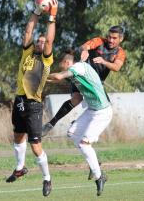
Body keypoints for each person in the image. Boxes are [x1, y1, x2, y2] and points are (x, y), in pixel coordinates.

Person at [5, 0, 58, 197]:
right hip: (19, 100)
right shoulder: (28, 53)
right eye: (39, 41)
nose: (40, 42)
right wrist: (36, 12)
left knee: (35, 146)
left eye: (43, 42)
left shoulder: (46, 59)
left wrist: (51, 17)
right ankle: (20, 168)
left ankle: (47, 179)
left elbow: (50, 38)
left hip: (34, 104)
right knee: (18, 136)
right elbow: (28, 31)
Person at [47, 49, 113, 196]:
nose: (61, 67)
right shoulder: (75, 72)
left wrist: (39, 76)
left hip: (103, 112)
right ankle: (94, 162)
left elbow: (57, 77)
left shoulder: (78, 67)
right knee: (72, 133)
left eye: (61, 64)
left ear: (66, 62)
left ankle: (99, 176)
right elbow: (58, 80)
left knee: (84, 144)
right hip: (92, 110)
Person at [42, 25, 126, 136]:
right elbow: (85, 46)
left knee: (104, 109)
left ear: (121, 39)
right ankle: (51, 124)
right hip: (82, 75)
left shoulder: (120, 52)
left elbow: (116, 67)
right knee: (77, 98)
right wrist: (85, 50)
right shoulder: (99, 40)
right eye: (109, 37)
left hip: (96, 84)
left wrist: (104, 62)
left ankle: (78, 124)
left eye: (114, 38)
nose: (110, 40)